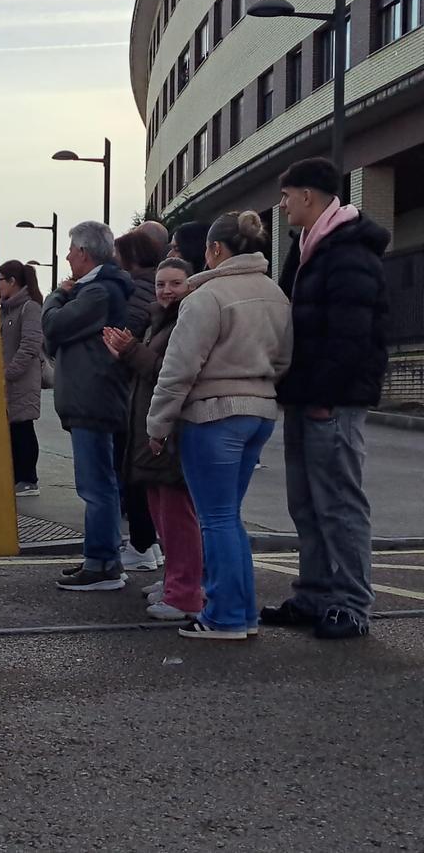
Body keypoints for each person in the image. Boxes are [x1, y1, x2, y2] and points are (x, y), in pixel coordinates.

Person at [262, 157, 391, 640]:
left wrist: (324, 396)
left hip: (329, 400)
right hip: (304, 396)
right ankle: (315, 595)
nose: (283, 204)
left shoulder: (347, 251)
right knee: (307, 504)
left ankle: (352, 604)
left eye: (287, 195)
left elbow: (351, 337)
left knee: (338, 502)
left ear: (309, 197)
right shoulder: (309, 247)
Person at [147, 211, 292, 640]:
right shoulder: (275, 294)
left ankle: (225, 616)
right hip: (259, 410)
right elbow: (283, 360)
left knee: (215, 519)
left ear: (214, 250)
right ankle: (240, 612)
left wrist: (157, 424)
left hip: (212, 415)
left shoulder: (206, 297)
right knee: (228, 517)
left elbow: (178, 369)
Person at [104, 258, 204, 620]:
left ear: (190, 285)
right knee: (162, 512)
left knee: (178, 516)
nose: (166, 290)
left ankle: (184, 591)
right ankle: (174, 581)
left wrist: (131, 351)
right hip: (151, 425)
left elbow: (171, 373)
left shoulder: (186, 320)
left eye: (175, 283)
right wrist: (126, 355)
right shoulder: (158, 320)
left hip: (171, 429)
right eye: (161, 283)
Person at [43, 221, 134, 591]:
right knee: (101, 483)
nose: (67, 256)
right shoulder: (98, 289)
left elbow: (54, 326)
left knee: (96, 485)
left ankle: (102, 564)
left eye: (70, 250)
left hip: (92, 397)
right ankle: (102, 558)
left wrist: (56, 296)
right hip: (91, 395)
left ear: (83, 252)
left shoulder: (97, 292)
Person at [111, 230, 165, 572]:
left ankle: (143, 544)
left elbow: (122, 334)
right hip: (141, 389)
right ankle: (151, 545)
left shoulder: (135, 290)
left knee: (134, 471)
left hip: (137, 392)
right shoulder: (146, 287)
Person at [0, 260, 44, 496]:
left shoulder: (29, 307)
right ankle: (17, 477)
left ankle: (28, 478)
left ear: (13, 281)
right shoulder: (4, 309)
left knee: (23, 427)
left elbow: (31, 345)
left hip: (21, 380)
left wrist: (9, 372)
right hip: (6, 380)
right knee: (11, 430)